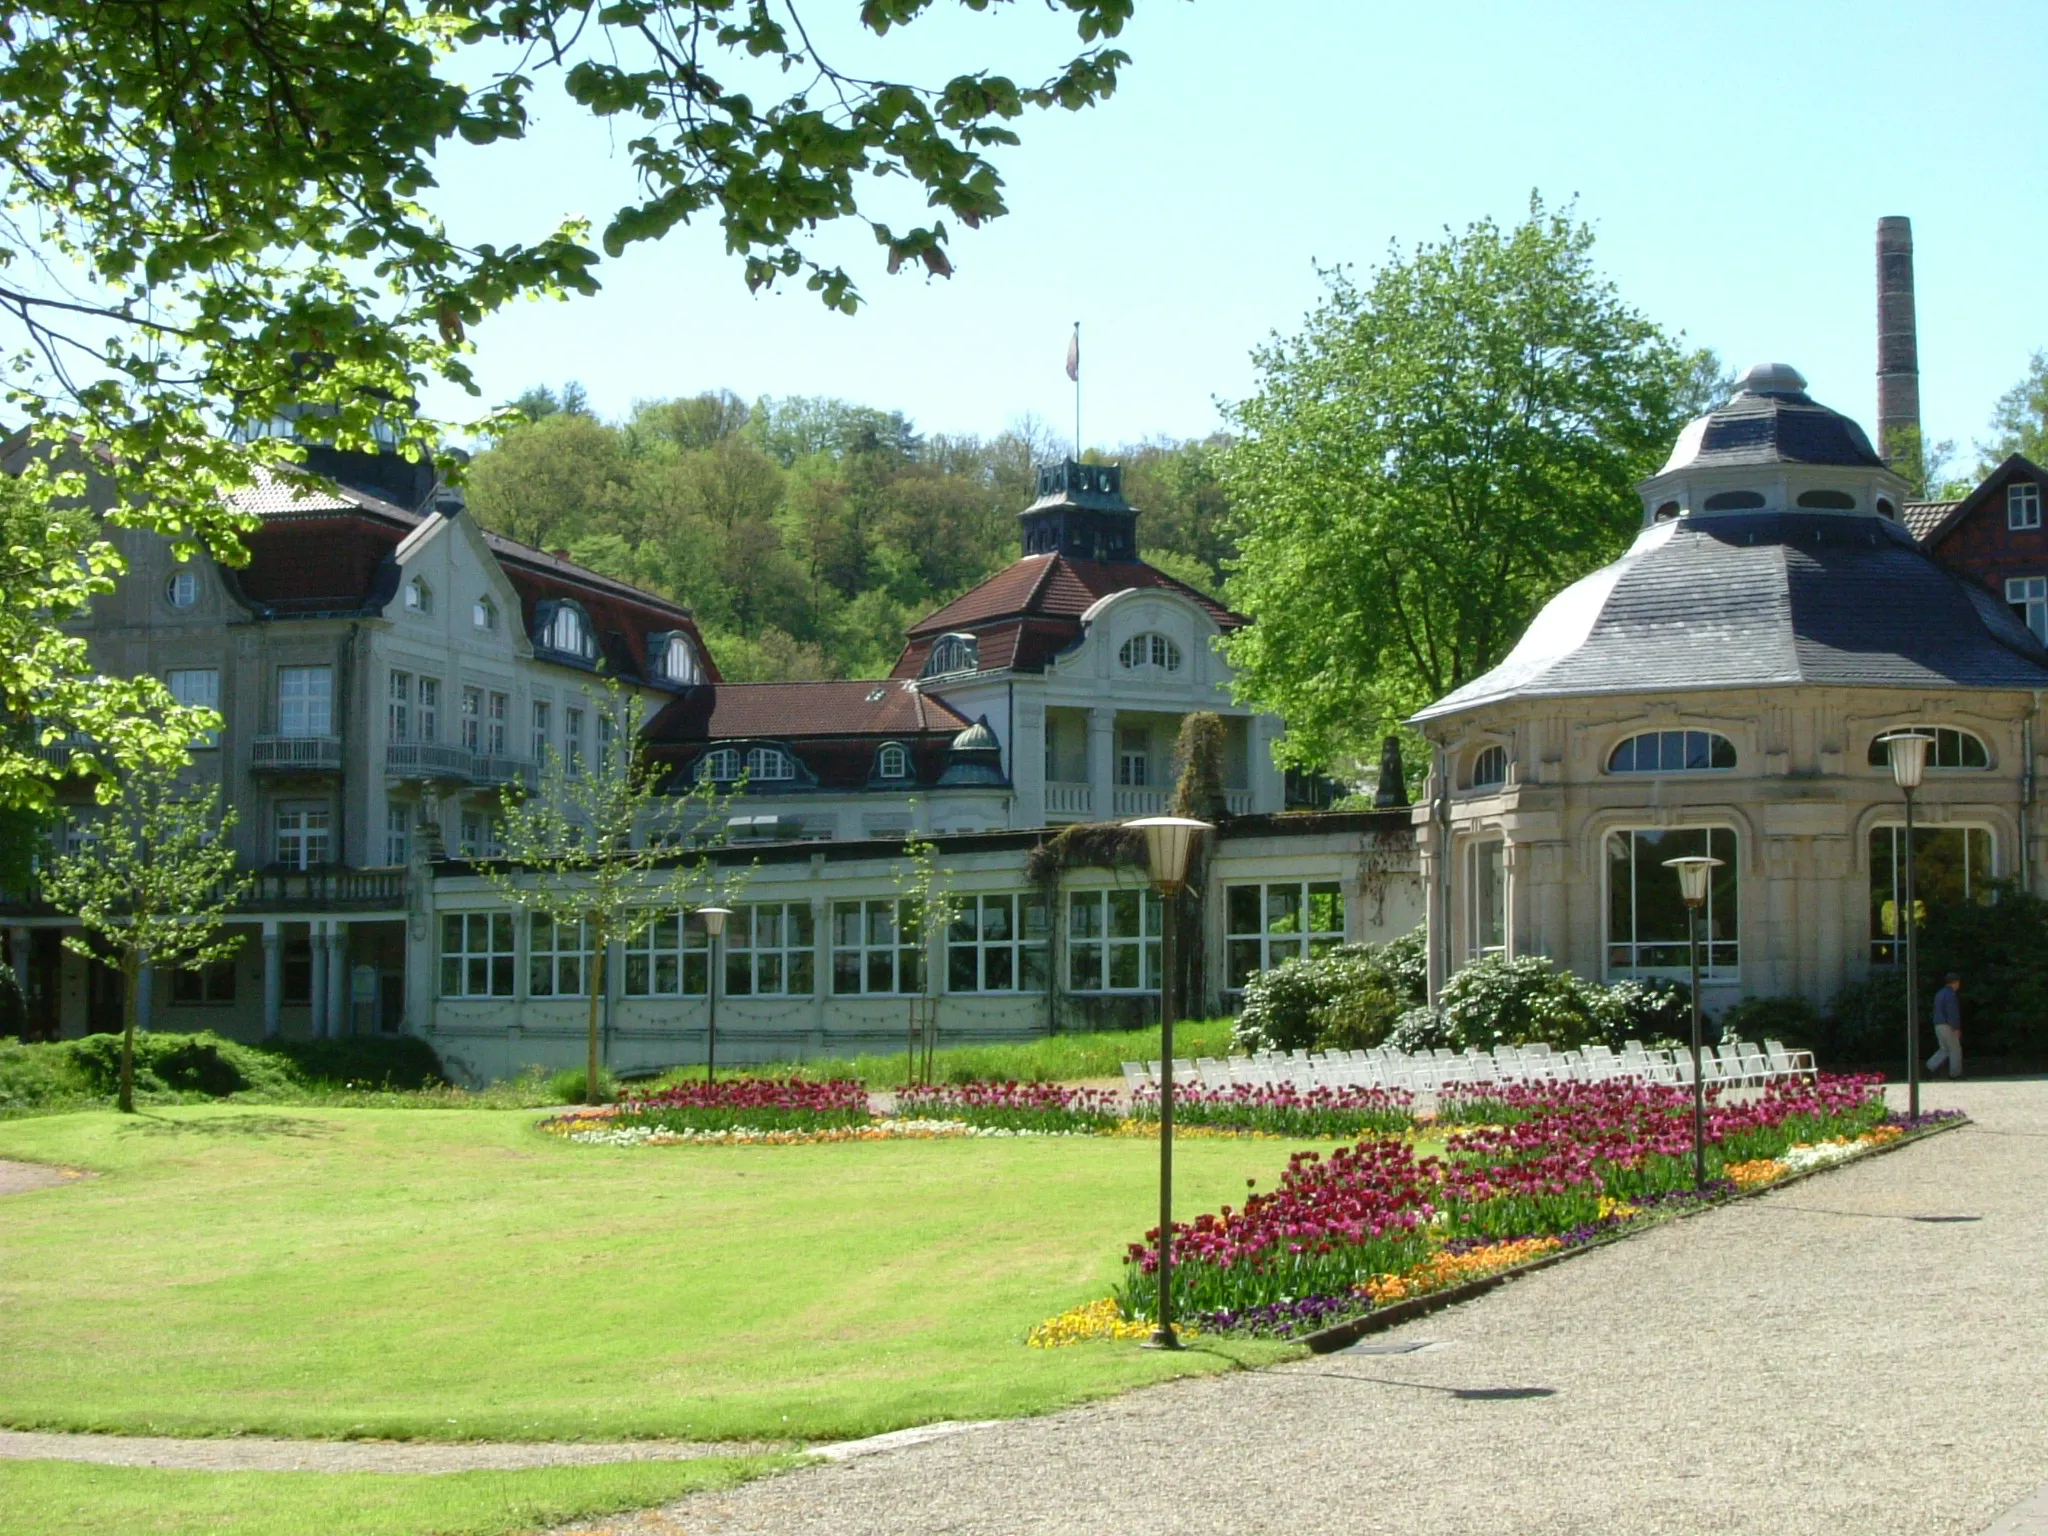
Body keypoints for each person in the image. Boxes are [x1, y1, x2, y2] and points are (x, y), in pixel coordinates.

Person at [1927, 973, 1963, 1080]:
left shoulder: (1939, 993)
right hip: (1948, 1025)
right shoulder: (1951, 994)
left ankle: (1929, 1066)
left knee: (1944, 1049)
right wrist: (1956, 1027)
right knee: (1955, 1049)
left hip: (1938, 1024)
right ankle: (1955, 1074)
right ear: (1955, 982)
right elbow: (1952, 1012)